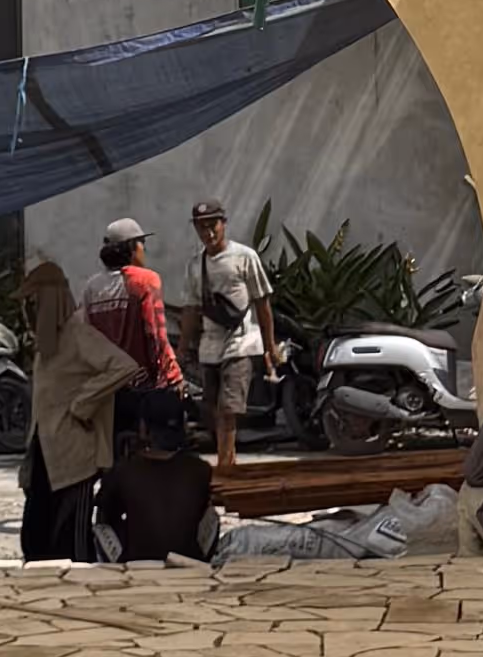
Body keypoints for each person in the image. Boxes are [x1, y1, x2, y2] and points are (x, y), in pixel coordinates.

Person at [17, 258, 135, 561]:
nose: (28, 309)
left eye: (33, 301)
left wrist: (83, 403)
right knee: (34, 537)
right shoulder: (46, 343)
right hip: (46, 451)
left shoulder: (79, 334)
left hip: (74, 456)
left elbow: (123, 366)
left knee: (70, 543)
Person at [189, 196, 283, 455]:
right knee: (212, 411)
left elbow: (262, 303)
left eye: (213, 225)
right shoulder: (196, 264)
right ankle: (224, 459)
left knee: (229, 409)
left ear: (224, 224)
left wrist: (269, 345)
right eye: (201, 226)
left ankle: (226, 466)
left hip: (240, 343)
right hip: (210, 346)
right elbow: (192, 309)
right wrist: (183, 348)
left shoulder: (245, 256)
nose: (208, 232)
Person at [82, 214, 180, 396]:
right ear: (131, 248)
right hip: (142, 382)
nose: (145, 250)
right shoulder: (144, 280)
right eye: (142, 243)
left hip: (108, 384)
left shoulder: (92, 287)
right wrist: (174, 377)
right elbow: (156, 335)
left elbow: (88, 337)